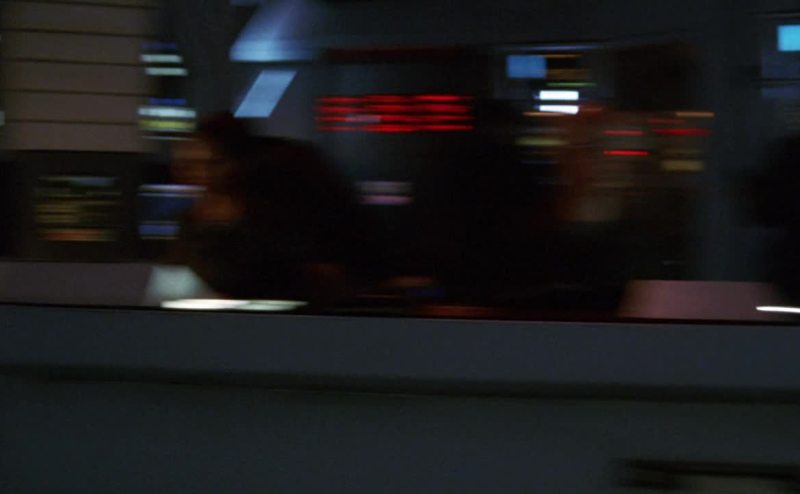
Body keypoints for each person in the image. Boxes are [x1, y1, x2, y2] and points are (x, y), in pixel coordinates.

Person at [170, 113, 374, 306]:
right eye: (188, 165)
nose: (200, 175)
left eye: (211, 163)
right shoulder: (196, 219)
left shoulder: (278, 208)